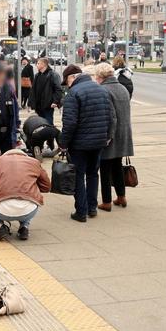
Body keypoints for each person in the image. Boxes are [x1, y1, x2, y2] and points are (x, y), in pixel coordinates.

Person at [59, 65, 115, 223]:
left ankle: (81, 212)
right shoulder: (102, 90)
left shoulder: (73, 93)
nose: (67, 85)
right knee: (92, 174)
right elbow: (111, 116)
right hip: (98, 142)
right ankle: (92, 208)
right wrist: (107, 137)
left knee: (78, 175)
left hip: (80, 144)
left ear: (72, 78)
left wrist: (63, 144)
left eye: (67, 82)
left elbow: (69, 123)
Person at [0, 149, 51, 241]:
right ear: (24, 155)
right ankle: (24, 227)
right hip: (29, 212)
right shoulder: (35, 162)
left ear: (5, 155)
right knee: (33, 195)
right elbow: (46, 187)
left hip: (1, 211)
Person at [95, 63, 133, 212]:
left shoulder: (104, 90)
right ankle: (121, 196)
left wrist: (107, 137)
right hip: (124, 133)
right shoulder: (122, 88)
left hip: (111, 134)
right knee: (117, 166)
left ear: (101, 76)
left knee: (104, 168)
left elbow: (111, 116)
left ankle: (106, 201)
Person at [29, 58, 63, 125]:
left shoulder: (53, 75)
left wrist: (55, 101)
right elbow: (33, 90)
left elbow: (58, 89)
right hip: (38, 105)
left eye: (38, 63)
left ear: (43, 64)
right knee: (41, 123)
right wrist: (31, 103)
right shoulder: (37, 75)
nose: (36, 65)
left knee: (48, 123)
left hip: (48, 104)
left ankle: (50, 135)